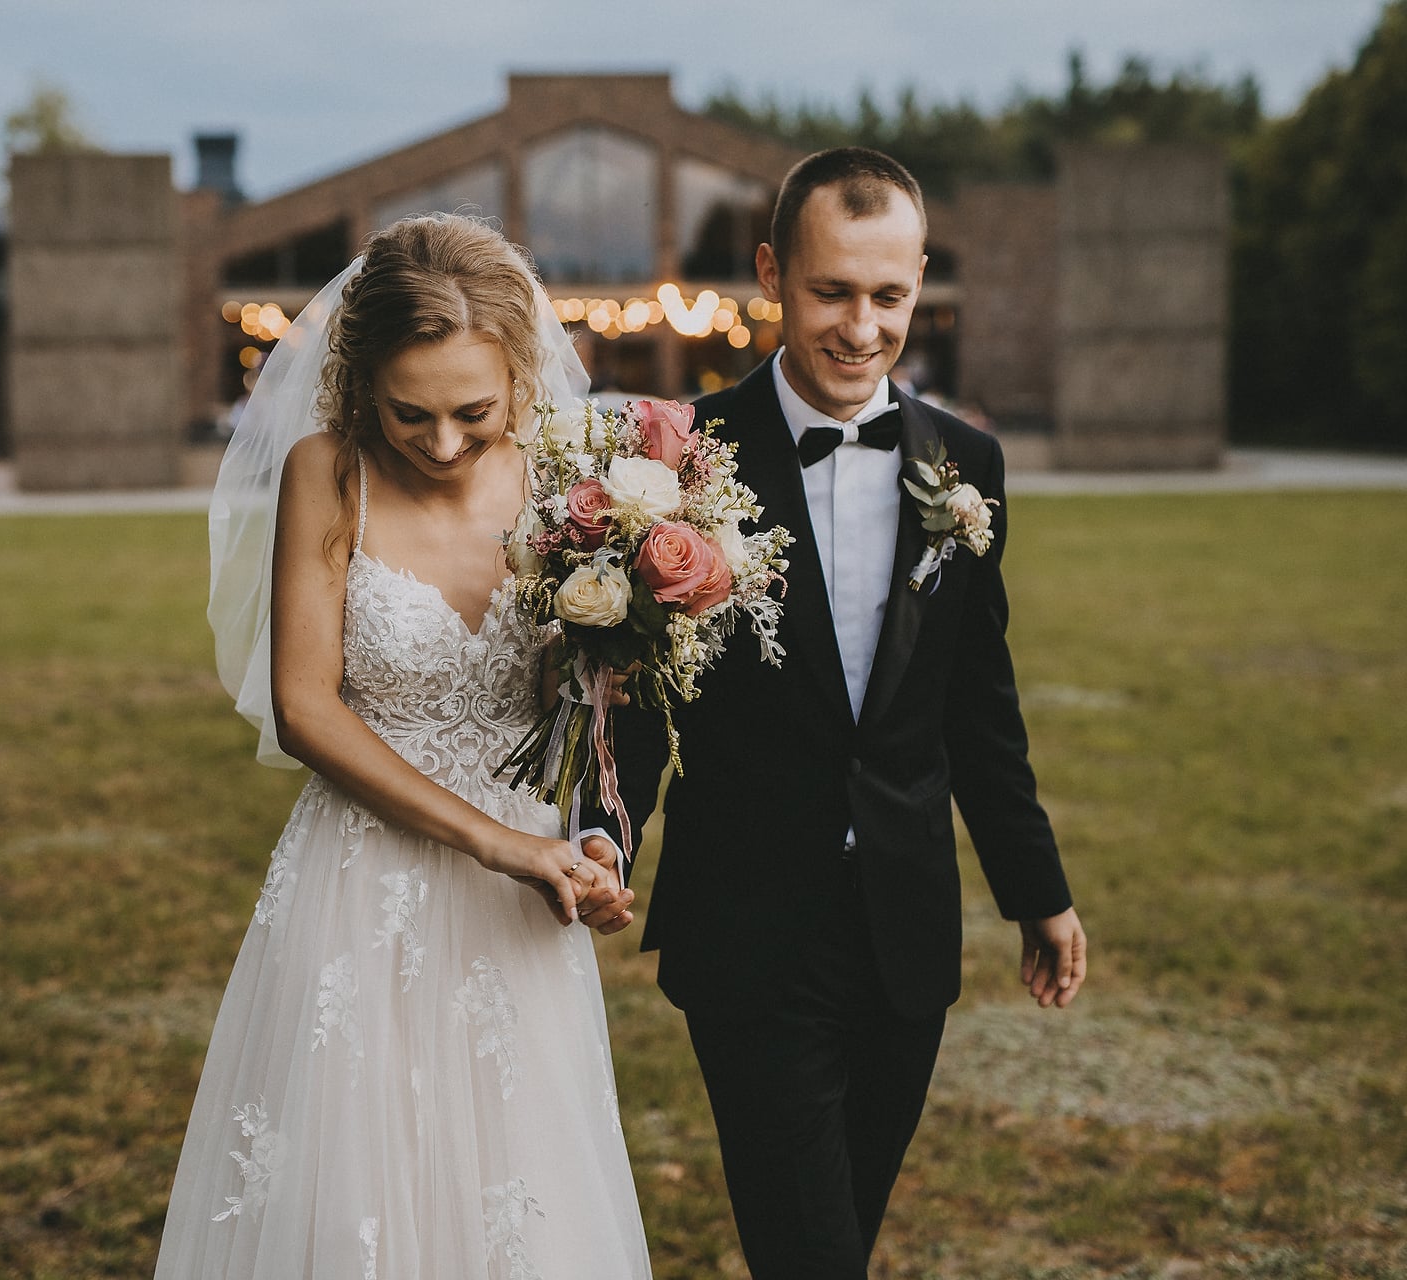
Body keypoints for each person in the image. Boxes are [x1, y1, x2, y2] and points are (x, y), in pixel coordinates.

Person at [585, 148, 1088, 1278]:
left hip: (905, 931)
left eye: (888, 295)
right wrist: (603, 834)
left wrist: (1037, 888)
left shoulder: (967, 462)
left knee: (834, 1239)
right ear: (773, 273)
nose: (862, 328)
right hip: (750, 933)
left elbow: (977, 703)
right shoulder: (676, 460)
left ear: (920, 281)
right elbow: (640, 697)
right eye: (832, 292)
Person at [156, 214, 650, 1279]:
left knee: (519, 1186)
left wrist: (588, 836)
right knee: (356, 1191)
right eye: (408, 412)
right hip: (360, 881)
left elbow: (584, 708)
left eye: (474, 412)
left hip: (526, 890)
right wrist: (498, 843)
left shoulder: (576, 485)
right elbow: (305, 707)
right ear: (360, 381)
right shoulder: (329, 473)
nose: (442, 443)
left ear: (520, 374)